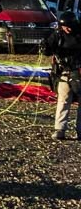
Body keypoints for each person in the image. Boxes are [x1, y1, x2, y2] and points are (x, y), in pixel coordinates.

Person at [43, 12, 81, 141]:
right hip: (63, 71)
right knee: (63, 99)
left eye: (69, 26)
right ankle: (60, 129)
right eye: (65, 26)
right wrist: (44, 47)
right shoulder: (58, 35)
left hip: (79, 71)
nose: (67, 29)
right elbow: (48, 49)